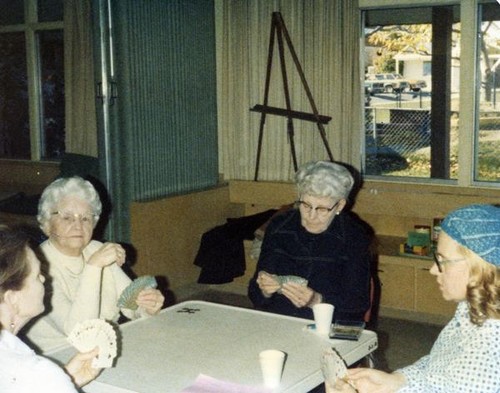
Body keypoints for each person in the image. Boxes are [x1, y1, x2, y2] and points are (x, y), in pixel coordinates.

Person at [328, 204, 500, 393]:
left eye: (443, 261)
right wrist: (397, 381)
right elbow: (438, 366)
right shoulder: (472, 308)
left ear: (480, 268)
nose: (434, 270)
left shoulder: (488, 349)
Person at [25, 176, 165, 352]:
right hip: (61, 358)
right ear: (46, 224)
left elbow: (131, 304)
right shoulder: (36, 265)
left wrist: (148, 306)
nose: (78, 226)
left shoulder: (97, 250)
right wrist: (94, 267)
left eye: (85, 218)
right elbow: (80, 332)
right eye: (67, 218)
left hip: (104, 347)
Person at [248, 160, 372, 322]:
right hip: (279, 317)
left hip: (328, 321)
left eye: (322, 209)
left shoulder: (354, 235)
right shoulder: (279, 227)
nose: (311, 216)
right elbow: (254, 293)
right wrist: (265, 290)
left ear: (340, 205)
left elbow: (358, 303)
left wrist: (317, 301)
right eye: (306, 205)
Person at [0, 225, 101, 392]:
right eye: (36, 275)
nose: (44, 279)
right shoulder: (40, 374)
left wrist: (67, 379)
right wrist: (55, 382)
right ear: (13, 299)